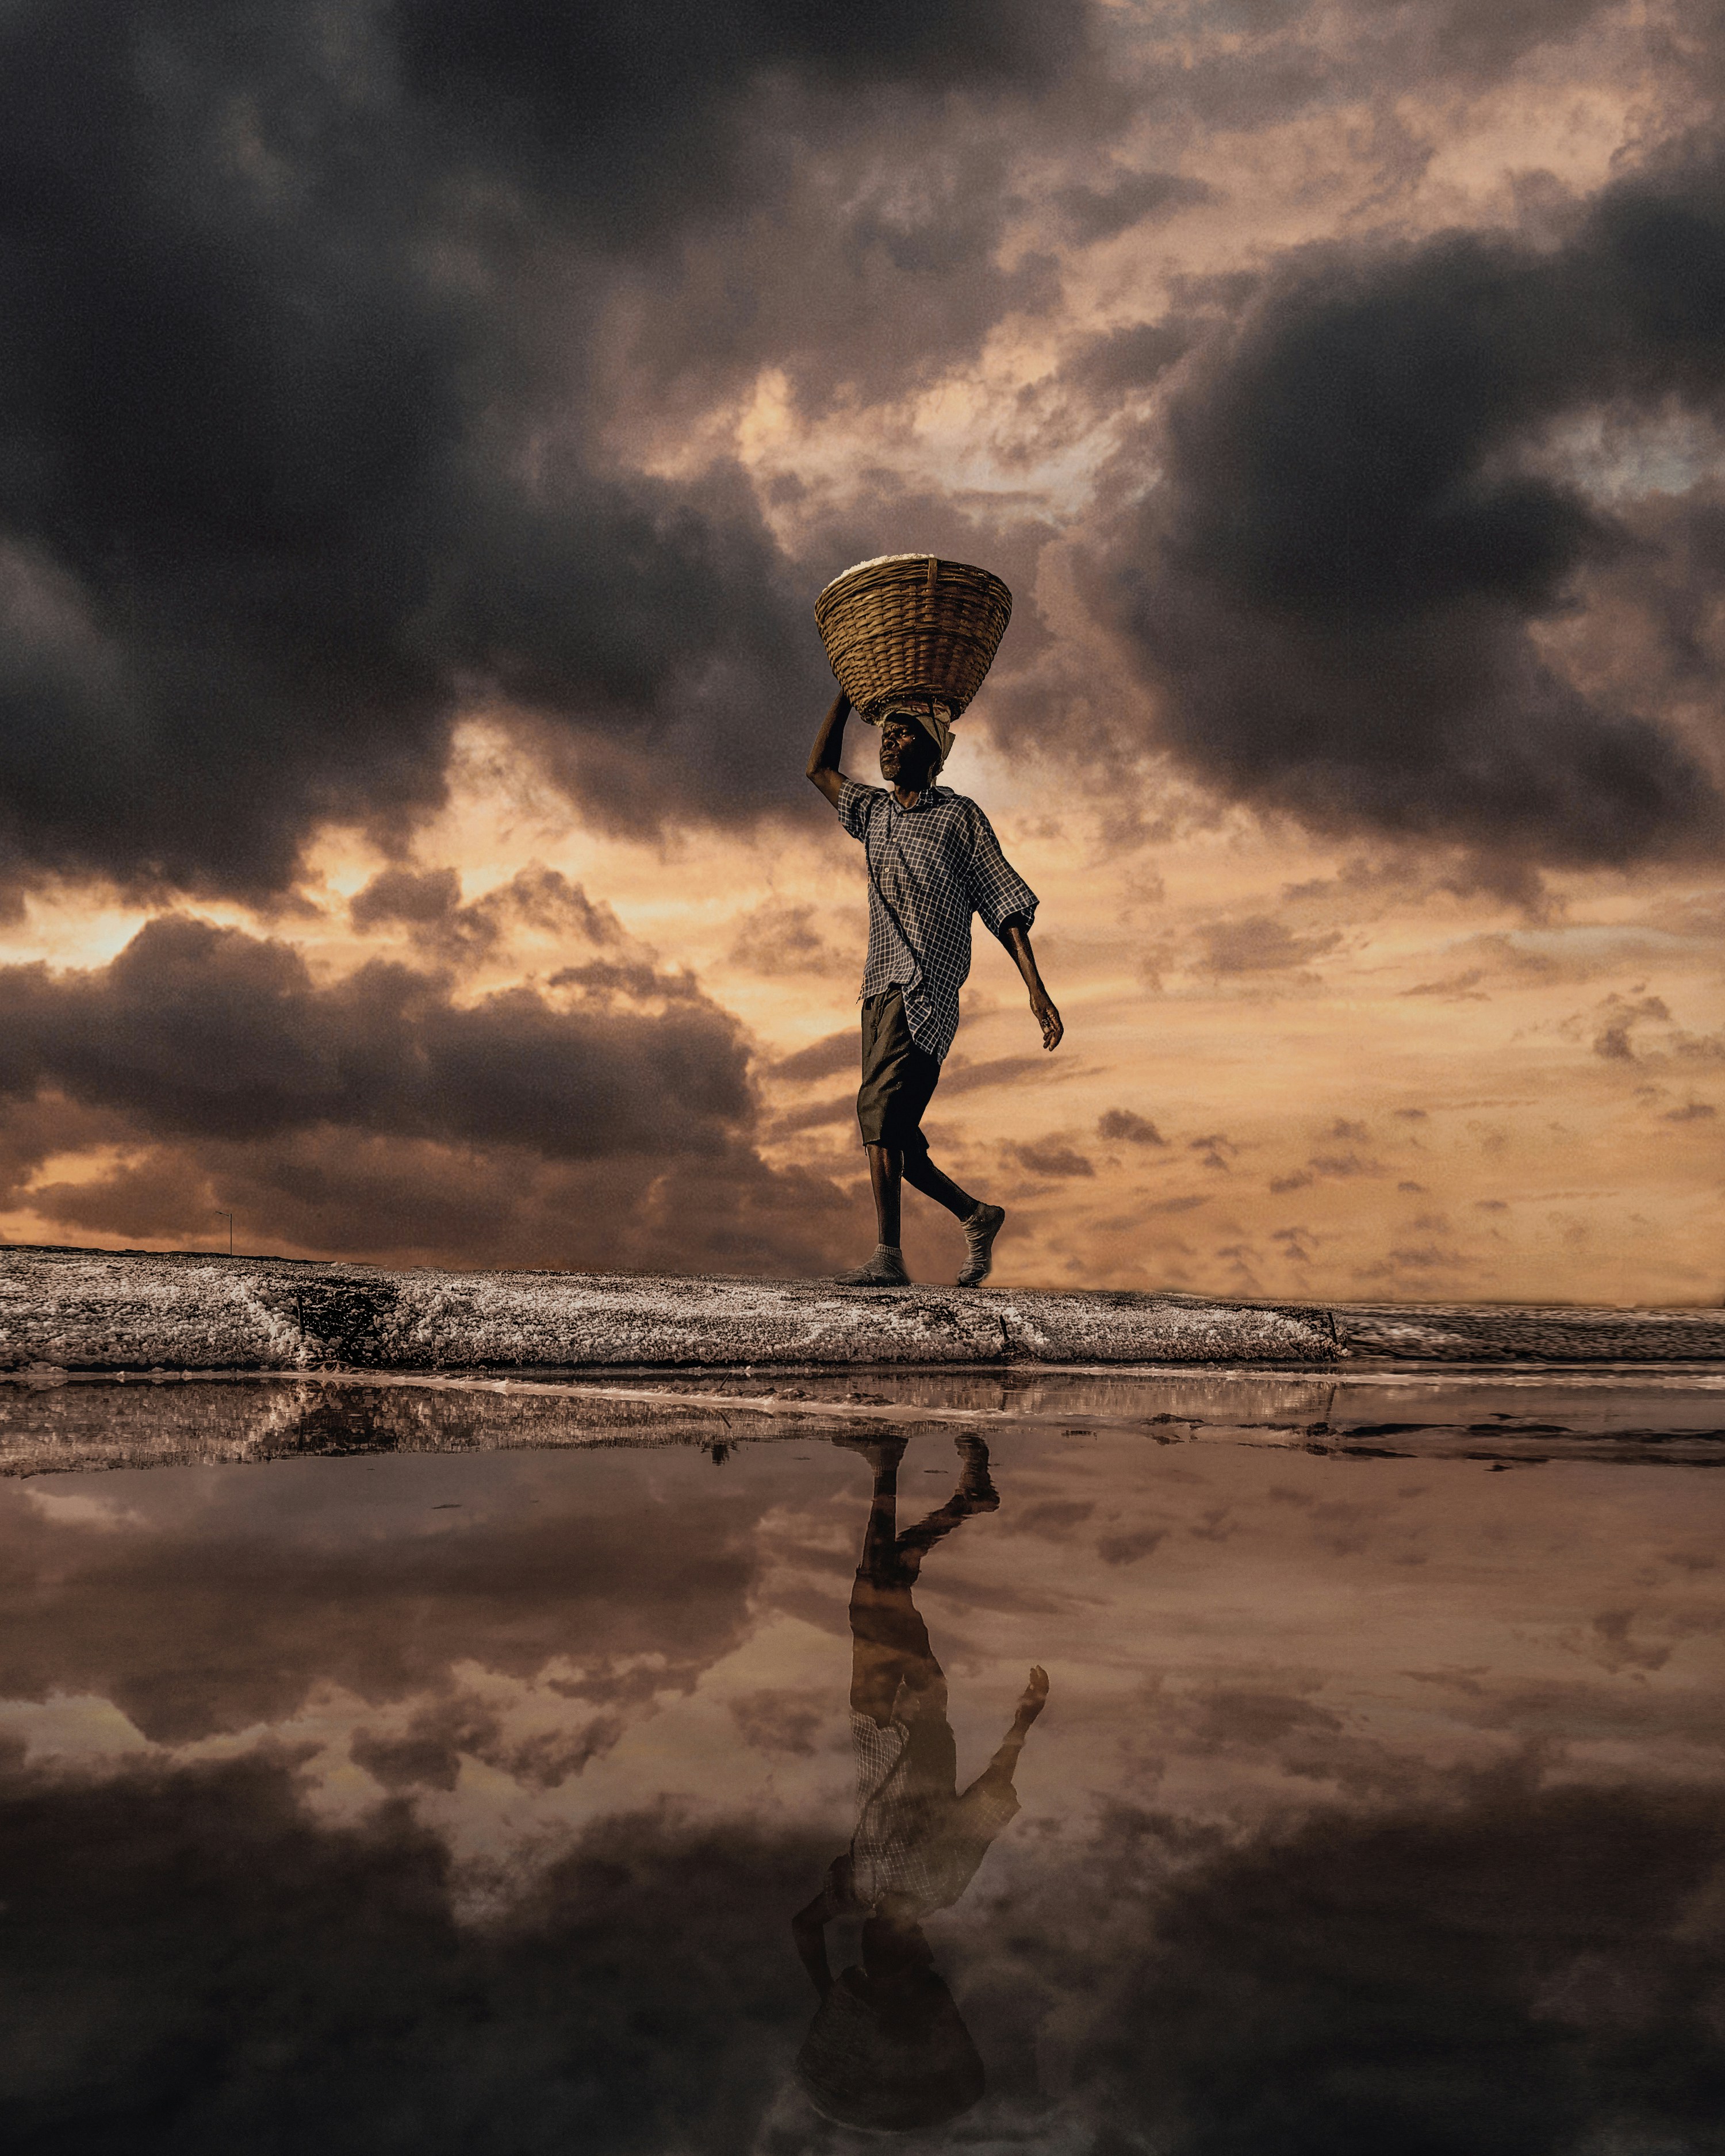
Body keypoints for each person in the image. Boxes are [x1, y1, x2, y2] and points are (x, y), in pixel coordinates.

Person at [790, 1432, 1049, 2132]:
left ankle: (949, 1493)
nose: (869, 1943)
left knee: (881, 1584)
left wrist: (828, 1994)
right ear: (918, 1951)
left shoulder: (861, 1892)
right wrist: (1023, 1722)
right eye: (885, 1955)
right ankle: (895, 1466)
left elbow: (803, 1928)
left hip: (870, 1722)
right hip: (920, 1714)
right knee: (877, 1589)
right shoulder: (941, 1884)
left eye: (864, 1956)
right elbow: (989, 1803)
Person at [807, 689, 1062, 1288]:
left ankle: (889, 1257)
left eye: (901, 735)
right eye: (885, 735)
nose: (889, 744)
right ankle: (977, 1215)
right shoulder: (873, 813)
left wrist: (1037, 992)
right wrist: (845, 698)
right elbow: (818, 769)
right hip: (878, 989)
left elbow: (1004, 904)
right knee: (896, 1136)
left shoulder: (959, 818)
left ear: (933, 753)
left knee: (877, 1114)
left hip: (926, 994)